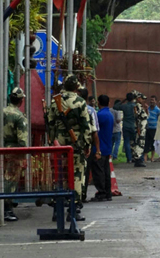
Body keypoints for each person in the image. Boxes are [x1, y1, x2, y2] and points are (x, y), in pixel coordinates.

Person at [47, 75, 98, 221]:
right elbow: (86, 126)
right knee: (77, 176)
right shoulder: (80, 102)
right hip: (76, 144)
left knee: (60, 176)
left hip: (59, 144)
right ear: (76, 88)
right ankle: (73, 210)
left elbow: (50, 123)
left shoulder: (55, 101)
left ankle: (57, 209)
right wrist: (87, 145)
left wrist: (52, 141)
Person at [0, 87, 28, 222]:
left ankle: (3, 207)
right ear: (21, 101)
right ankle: (7, 209)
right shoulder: (19, 117)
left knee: (3, 178)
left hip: (2, 150)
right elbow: (23, 140)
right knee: (11, 180)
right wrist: (23, 157)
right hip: (15, 152)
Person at [90, 95, 114, 201]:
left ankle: (101, 191)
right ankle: (108, 192)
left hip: (99, 147)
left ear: (98, 103)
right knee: (106, 171)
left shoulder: (99, 115)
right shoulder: (110, 114)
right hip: (107, 146)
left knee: (98, 171)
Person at [79, 88, 100, 203]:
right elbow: (95, 131)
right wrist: (98, 149)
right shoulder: (91, 111)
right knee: (85, 171)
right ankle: (82, 195)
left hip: (72, 145)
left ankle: (75, 195)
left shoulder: (68, 108)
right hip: (87, 145)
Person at [114, 93, 137, 163]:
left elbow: (115, 106)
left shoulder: (124, 106)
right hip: (133, 125)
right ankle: (136, 156)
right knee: (135, 142)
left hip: (126, 125)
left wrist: (123, 101)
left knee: (126, 142)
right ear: (133, 98)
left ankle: (129, 158)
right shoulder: (135, 106)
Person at [131, 92, 148, 167]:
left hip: (142, 127)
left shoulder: (140, 106)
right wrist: (138, 128)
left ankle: (138, 158)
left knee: (140, 143)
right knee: (140, 143)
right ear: (138, 98)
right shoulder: (137, 106)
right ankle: (137, 159)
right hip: (140, 127)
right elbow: (137, 117)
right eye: (142, 98)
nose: (143, 100)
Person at [144, 95, 160, 162]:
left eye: (153, 100)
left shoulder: (158, 110)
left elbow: (159, 119)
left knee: (153, 143)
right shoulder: (147, 109)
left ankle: (152, 157)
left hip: (154, 128)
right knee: (146, 143)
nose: (151, 101)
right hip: (147, 128)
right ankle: (145, 157)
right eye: (150, 100)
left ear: (156, 101)